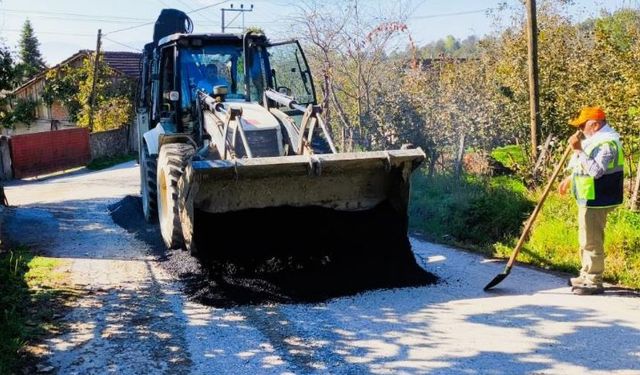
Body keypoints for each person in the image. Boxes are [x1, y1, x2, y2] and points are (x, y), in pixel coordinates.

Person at [558, 106, 624, 295]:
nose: (579, 129)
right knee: (585, 238)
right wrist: (570, 178)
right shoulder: (595, 141)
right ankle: (585, 273)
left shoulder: (607, 143)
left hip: (599, 198)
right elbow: (586, 166)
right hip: (588, 196)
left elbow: (596, 171)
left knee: (592, 240)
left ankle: (594, 281)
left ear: (594, 125)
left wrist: (578, 150)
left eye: (582, 125)